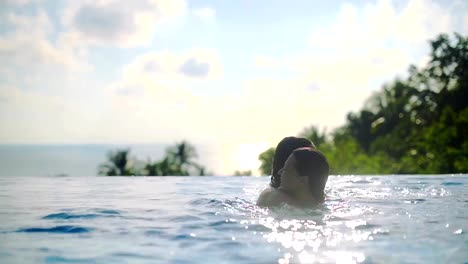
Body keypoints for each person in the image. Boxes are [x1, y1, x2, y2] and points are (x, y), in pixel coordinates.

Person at [257, 147, 329, 208]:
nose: (280, 172)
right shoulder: (325, 205)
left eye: (285, 170)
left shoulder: (276, 199)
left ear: (302, 180)